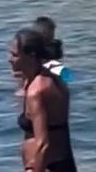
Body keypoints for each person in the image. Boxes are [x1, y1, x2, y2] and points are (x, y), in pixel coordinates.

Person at [9, 28, 77, 172]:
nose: (10, 59)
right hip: (57, 162)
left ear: (31, 55)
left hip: (44, 166)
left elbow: (43, 144)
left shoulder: (37, 90)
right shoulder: (50, 75)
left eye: (15, 55)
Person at [33, 16, 71, 83]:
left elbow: (58, 60)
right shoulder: (33, 45)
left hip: (52, 70)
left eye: (53, 31)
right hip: (39, 72)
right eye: (52, 31)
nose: (53, 34)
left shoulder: (55, 44)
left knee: (68, 76)